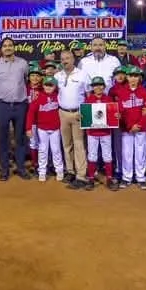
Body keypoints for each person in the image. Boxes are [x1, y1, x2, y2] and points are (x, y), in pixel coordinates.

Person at [0, 37, 31, 181]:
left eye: (10, 45)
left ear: (14, 48)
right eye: (5, 46)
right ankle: (5, 170)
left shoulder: (23, 63)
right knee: (3, 138)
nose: (8, 48)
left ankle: (21, 168)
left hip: (20, 105)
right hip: (1, 105)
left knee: (20, 138)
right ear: (1, 49)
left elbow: (27, 81)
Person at [54, 50, 90, 188]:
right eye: (62, 59)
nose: (65, 61)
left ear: (73, 59)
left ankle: (81, 174)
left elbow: (89, 94)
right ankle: (70, 171)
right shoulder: (57, 76)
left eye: (68, 58)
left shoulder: (82, 74)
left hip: (77, 114)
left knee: (79, 144)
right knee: (66, 144)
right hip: (62, 113)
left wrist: (85, 112)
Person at [116, 67, 146, 188]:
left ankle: (141, 177)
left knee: (140, 152)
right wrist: (130, 126)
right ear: (127, 77)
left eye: (136, 76)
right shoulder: (121, 92)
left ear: (139, 78)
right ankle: (127, 177)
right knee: (127, 153)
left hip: (141, 128)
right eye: (131, 76)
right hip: (127, 128)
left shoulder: (144, 91)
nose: (133, 78)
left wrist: (139, 125)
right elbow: (120, 111)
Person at [26, 76, 65, 184]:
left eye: (50, 85)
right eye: (46, 85)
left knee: (56, 150)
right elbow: (30, 113)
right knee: (43, 149)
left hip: (55, 128)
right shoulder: (39, 97)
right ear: (43, 86)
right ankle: (42, 171)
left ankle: (59, 170)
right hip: (42, 128)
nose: (48, 87)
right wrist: (28, 128)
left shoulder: (58, 96)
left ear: (55, 86)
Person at [84, 76, 115, 190]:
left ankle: (109, 179)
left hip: (105, 132)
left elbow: (113, 115)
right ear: (92, 87)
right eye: (96, 85)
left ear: (104, 86)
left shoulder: (109, 99)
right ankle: (91, 179)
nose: (98, 87)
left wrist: (116, 116)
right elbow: (85, 115)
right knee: (92, 156)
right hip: (92, 132)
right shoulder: (88, 99)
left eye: (100, 85)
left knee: (107, 156)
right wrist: (81, 116)